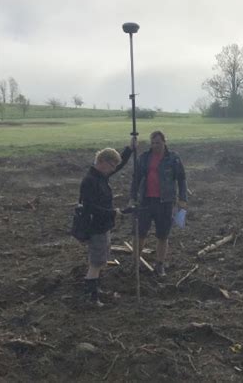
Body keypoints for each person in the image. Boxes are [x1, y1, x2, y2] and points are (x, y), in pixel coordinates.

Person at [79, 140, 134, 306]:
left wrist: (129, 149)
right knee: (96, 263)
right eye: (111, 166)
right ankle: (92, 298)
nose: (112, 170)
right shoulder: (90, 181)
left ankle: (95, 288)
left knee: (101, 260)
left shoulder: (100, 175)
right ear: (102, 162)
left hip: (104, 225)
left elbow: (119, 164)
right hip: (95, 226)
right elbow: (90, 208)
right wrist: (114, 212)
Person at [131, 130, 187, 277]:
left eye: (158, 143)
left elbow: (181, 179)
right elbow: (136, 179)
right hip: (146, 201)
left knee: (162, 235)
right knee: (140, 233)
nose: (155, 146)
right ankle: (135, 263)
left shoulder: (173, 159)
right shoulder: (144, 158)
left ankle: (160, 264)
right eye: (153, 143)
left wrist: (183, 199)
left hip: (165, 202)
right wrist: (132, 197)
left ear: (164, 142)